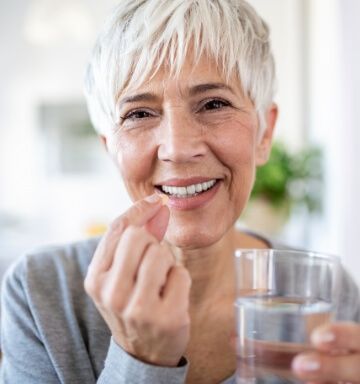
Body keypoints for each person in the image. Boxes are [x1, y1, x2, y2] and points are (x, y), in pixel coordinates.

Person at [1, 0, 360, 383]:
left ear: (264, 132)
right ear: (111, 148)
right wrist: (141, 360)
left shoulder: (324, 290)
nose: (177, 146)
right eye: (139, 113)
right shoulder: (40, 292)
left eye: (213, 103)